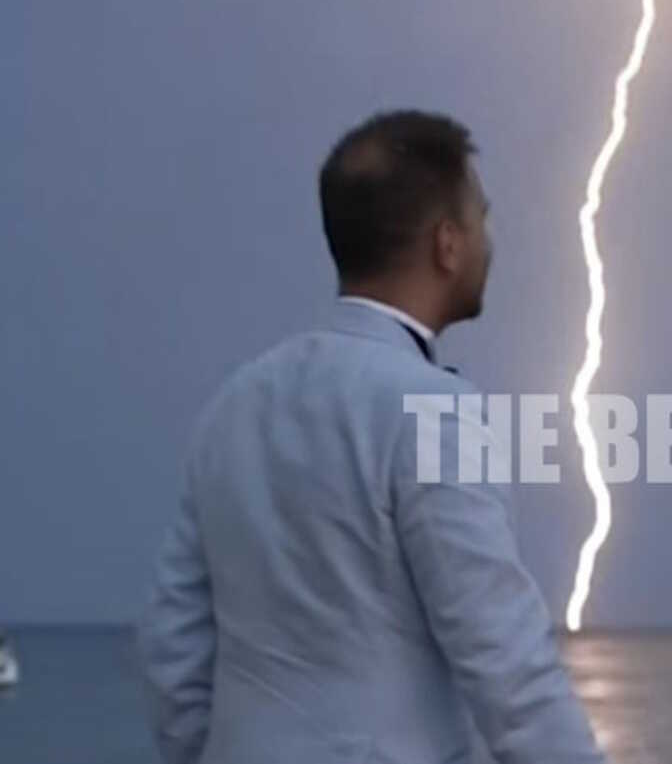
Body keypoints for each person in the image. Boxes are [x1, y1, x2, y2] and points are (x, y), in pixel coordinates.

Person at [136, 110, 604, 764]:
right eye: (482, 219)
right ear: (447, 245)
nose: (490, 242)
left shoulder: (234, 404)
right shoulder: (436, 413)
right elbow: (507, 660)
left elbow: (173, 647)